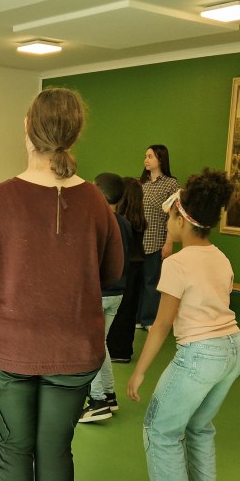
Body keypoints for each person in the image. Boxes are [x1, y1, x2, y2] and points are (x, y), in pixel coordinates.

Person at [0, 88, 124, 481]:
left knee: (13, 451)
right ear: (75, 133)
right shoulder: (96, 202)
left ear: (28, 128)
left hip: (8, 349)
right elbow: (112, 272)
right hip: (75, 352)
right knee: (56, 452)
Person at [127, 168, 240, 481]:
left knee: (160, 428)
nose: (166, 224)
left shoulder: (176, 263)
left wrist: (139, 371)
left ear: (180, 218)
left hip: (201, 355)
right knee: (199, 425)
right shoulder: (221, 257)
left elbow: (162, 324)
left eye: (168, 218)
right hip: (233, 349)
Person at [78, 172, 134, 423]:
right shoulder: (125, 224)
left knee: (90, 347)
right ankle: (109, 395)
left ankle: (98, 400)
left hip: (99, 294)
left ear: (99, 193)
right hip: (118, 293)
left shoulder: (95, 222)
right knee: (101, 344)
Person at [137, 144, 181, 328]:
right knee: (137, 281)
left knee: (152, 282)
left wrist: (168, 242)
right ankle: (136, 318)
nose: (146, 160)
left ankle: (148, 320)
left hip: (156, 241)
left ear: (160, 159)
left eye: (150, 156)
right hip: (137, 241)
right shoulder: (141, 183)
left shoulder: (171, 184)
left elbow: (174, 215)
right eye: (145, 156)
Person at [105, 176, 147, 362]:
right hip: (137, 269)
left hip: (123, 269)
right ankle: (123, 351)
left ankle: (113, 350)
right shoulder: (139, 220)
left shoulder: (120, 221)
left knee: (118, 312)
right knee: (129, 312)